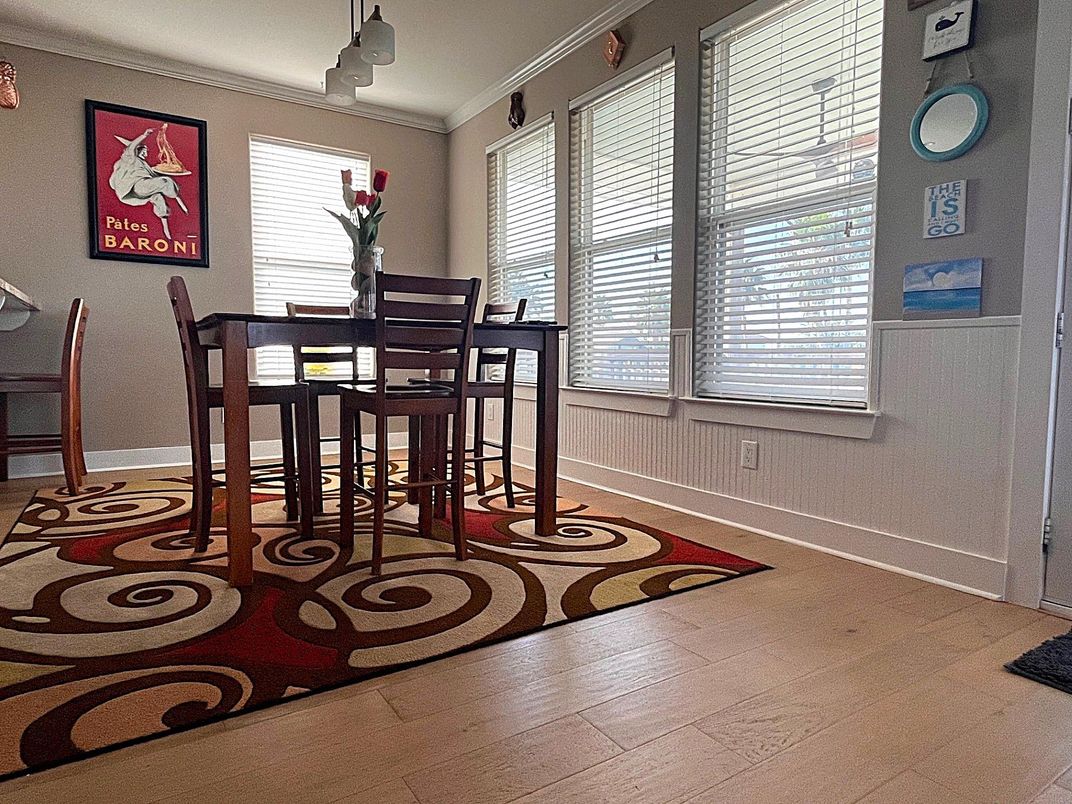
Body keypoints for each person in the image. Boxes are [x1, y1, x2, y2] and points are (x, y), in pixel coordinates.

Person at [108, 128, 188, 239]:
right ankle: (180, 202)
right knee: (165, 181)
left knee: (158, 197)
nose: (146, 154)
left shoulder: (144, 164)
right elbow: (131, 146)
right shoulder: (131, 158)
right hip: (138, 185)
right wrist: (144, 135)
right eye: (144, 152)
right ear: (138, 151)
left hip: (144, 187)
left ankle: (166, 229)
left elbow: (153, 175)